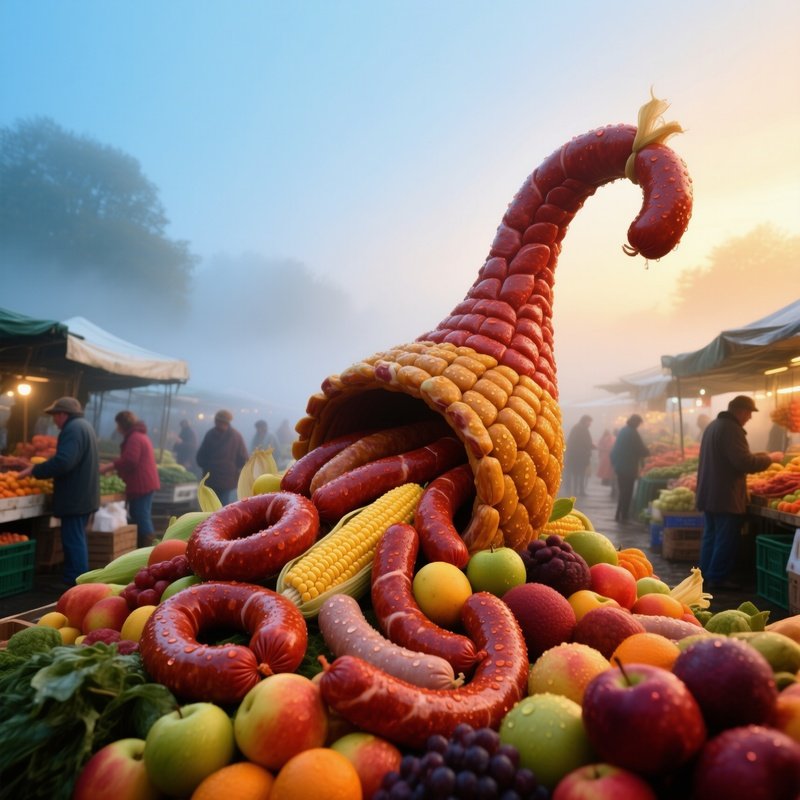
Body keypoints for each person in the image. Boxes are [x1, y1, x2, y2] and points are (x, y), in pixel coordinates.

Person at [696, 395, 783, 590]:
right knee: (724, 539)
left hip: (710, 494)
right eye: (750, 413)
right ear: (742, 411)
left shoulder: (713, 426)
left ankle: (704, 577)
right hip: (725, 496)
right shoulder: (731, 429)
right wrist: (769, 458)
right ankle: (717, 578)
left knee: (711, 536)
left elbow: (734, 458)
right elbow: (743, 462)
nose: (750, 418)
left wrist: (761, 456)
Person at [16, 397, 99, 585]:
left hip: (75, 497)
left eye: (54, 415)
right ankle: (77, 579)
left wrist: (35, 470)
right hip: (83, 495)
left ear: (63, 414)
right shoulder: (84, 426)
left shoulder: (73, 429)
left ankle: (74, 583)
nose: (54, 420)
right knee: (76, 539)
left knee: (73, 541)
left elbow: (64, 461)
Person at [99, 411, 160, 548]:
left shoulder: (135, 438)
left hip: (141, 484)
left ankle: (151, 549)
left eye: (117, 424)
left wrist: (110, 466)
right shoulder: (138, 435)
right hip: (144, 483)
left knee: (141, 516)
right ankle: (146, 548)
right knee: (140, 514)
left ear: (122, 424)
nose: (116, 428)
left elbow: (130, 460)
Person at [196, 409, 249, 505]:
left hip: (212, 478)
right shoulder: (236, 436)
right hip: (226, 480)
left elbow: (200, 458)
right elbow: (244, 459)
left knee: (209, 506)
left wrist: (208, 466)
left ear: (217, 421)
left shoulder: (210, 434)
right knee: (222, 508)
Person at [610, 414, 650, 523]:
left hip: (620, 466)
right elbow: (640, 448)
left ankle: (619, 513)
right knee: (627, 491)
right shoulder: (632, 433)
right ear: (635, 422)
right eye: (638, 423)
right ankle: (624, 515)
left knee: (623, 491)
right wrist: (648, 452)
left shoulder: (624, 430)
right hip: (627, 467)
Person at [562, 415, 594, 497]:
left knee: (580, 474)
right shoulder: (578, 429)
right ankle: (577, 491)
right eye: (589, 422)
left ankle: (579, 490)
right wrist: (589, 446)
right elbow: (576, 443)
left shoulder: (582, 429)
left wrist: (590, 446)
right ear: (585, 421)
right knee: (577, 474)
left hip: (580, 456)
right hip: (577, 457)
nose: (590, 424)